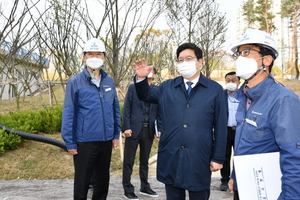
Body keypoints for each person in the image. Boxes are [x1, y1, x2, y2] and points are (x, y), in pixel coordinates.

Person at [133, 43, 227, 200]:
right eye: (180, 59)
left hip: (199, 156)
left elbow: (220, 126)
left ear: (200, 61)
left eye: (189, 58)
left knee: (199, 195)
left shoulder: (214, 89)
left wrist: (218, 158)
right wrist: (141, 78)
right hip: (172, 155)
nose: (184, 62)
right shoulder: (167, 87)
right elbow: (146, 95)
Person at [228, 29, 300, 200]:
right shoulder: (244, 96)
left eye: (246, 52)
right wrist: (234, 176)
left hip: (270, 192)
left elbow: (294, 158)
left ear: (267, 60)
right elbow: (243, 145)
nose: (240, 58)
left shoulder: (283, 100)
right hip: (245, 187)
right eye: (238, 54)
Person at [61, 38, 121, 200]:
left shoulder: (108, 81)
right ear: (84, 57)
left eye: (98, 54)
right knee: (82, 180)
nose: (94, 57)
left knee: (102, 180)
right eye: (90, 54)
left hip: (106, 140)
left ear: (104, 58)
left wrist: (115, 134)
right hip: (84, 141)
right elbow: (69, 112)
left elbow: (114, 109)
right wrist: (70, 141)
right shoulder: (75, 82)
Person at [122, 66, 160, 200]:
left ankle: (145, 186)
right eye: (146, 70)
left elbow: (160, 112)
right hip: (133, 129)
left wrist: (158, 129)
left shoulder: (157, 90)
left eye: (151, 71)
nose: (149, 72)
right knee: (129, 161)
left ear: (154, 75)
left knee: (145, 161)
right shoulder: (133, 88)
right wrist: (126, 127)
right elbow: (127, 108)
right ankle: (127, 188)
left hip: (148, 130)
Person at [219, 72, 240, 191]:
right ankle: (224, 180)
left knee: (238, 156)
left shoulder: (244, 95)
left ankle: (236, 179)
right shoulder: (221, 95)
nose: (231, 83)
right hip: (225, 130)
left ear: (239, 82)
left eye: (234, 80)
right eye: (228, 80)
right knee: (224, 156)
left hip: (239, 131)